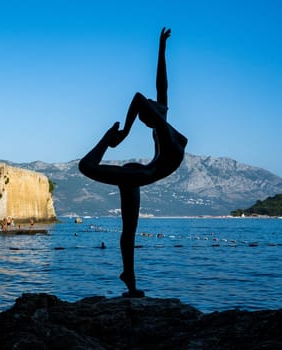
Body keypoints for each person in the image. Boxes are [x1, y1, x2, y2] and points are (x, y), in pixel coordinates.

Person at [79, 28, 187, 298]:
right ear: (151, 115)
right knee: (86, 167)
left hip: (139, 174)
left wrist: (162, 47)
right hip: (141, 173)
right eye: (153, 105)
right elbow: (140, 97)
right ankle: (107, 137)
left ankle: (129, 277)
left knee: (130, 230)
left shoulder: (163, 124)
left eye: (155, 103)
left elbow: (161, 84)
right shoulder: (160, 128)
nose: (154, 101)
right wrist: (123, 132)